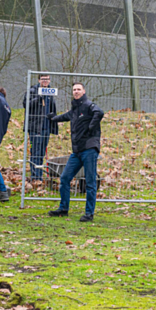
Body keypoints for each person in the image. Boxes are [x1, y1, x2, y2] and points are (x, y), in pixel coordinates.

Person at [47, 82, 105, 222]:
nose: (76, 91)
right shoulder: (74, 109)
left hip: (89, 149)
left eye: (79, 89)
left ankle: (89, 213)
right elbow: (65, 116)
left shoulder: (89, 105)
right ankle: (63, 209)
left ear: (83, 91)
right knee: (65, 178)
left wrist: (91, 126)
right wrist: (53, 118)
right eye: (74, 90)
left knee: (90, 182)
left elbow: (99, 112)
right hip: (77, 151)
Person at [23, 74, 58, 182]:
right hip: (35, 127)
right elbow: (26, 104)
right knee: (35, 152)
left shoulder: (50, 93)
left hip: (46, 128)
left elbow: (52, 109)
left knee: (42, 152)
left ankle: (39, 176)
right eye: (43, 79)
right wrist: (39, 97)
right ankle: (35, 177)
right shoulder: (32, 91)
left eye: (47, 79)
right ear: (39, 80)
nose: (45, 81)